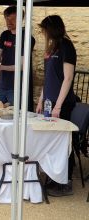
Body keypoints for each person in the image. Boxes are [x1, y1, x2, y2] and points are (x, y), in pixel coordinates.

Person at [36, 15, 77, 196]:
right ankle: (54, 177)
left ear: (51, 29)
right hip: (49, 102)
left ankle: (65, 182)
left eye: (45, 29)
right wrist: (41, 99)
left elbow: (67, 78)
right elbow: (48, 78)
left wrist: (58, 105)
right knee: (51, 142)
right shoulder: (52, 47)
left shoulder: (66, 46)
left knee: (62, 144)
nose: (43, 33)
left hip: (62, 104)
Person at [0, 6, 36, 111]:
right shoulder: (4, 35)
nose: (9, 22)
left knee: (14, 117)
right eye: (7, 19)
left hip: (17, 87)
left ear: (21, 19)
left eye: (12, 19)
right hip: (3, 85)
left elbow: (22, 66)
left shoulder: (27, 38)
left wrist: (1, 67)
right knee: (0, 114)